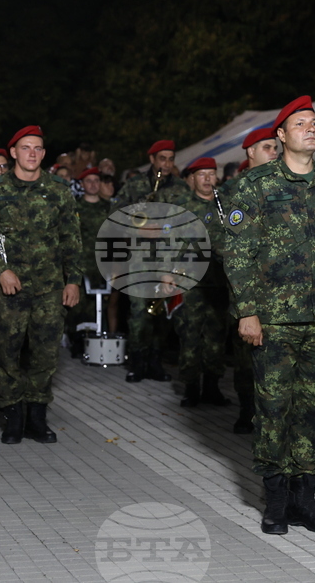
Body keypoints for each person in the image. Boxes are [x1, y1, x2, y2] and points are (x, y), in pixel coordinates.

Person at [222, 95, 315, 536]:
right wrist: (247, 311)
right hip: (274, 322)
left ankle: (306, 499)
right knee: (272, 409)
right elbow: (239, 253)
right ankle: (276, 500)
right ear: (281, 136)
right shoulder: (254, 185)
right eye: (301, 123)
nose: (311, 128)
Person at [0, 126, 82, 444]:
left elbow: (71, 240)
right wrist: (0, 271)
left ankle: (37, 416)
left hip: (49, 287)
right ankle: (12, 416)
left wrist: (73, 279)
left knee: (45, 355)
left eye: (38, 148)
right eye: (26, 147)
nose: (32, 153)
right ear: (14, 154)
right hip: (10, 288)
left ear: (43, 154)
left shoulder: (59, 191)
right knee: (8, 352)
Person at [169, 158, 250, 420]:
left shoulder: (224, 205)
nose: (207, 179)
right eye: (201, 174)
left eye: (211, 174)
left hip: (218, 281)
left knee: (216, 335)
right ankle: (191, 387)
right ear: (192, 178)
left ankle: (212, 387)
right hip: (189, 281)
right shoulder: (182, 206)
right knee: (190, 335)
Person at [111, 140, 189, 383]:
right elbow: (114, 217)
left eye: (170, 158)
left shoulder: (180, 187)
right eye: (162, 158)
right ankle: (137, 362)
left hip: (167, 260)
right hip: (139, 260)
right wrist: (139, 231)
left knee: (162, 313)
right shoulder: (134, 185)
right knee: (138, 313)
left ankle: (156, 361)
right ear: (152, 159)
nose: (167, 163)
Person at [70, 167, 110, 356]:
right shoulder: (74, 207)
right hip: (80, 263)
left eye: (96, 180)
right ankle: (77, 342)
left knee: (101, 306)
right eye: (89, 180)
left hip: (103, 264)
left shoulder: (109, 207)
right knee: (78, 305)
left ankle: (99, 342)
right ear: (82, 184)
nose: (93, 184)